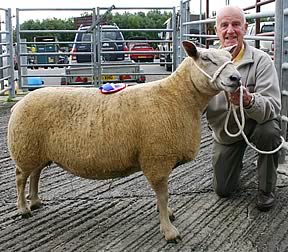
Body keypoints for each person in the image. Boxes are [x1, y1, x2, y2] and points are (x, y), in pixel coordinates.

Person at [206, 5, 282, 211]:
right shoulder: (206, 63)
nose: (230, 30)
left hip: (255, 125)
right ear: (216, 31)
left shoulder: (261, 61)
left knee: (270, 131)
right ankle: (234, 161)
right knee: (223, 190)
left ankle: (266, 189)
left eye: (236, 24)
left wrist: (249, 101)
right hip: (226, 132)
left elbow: (274, 106)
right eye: (224, 25)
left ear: (245, 28)